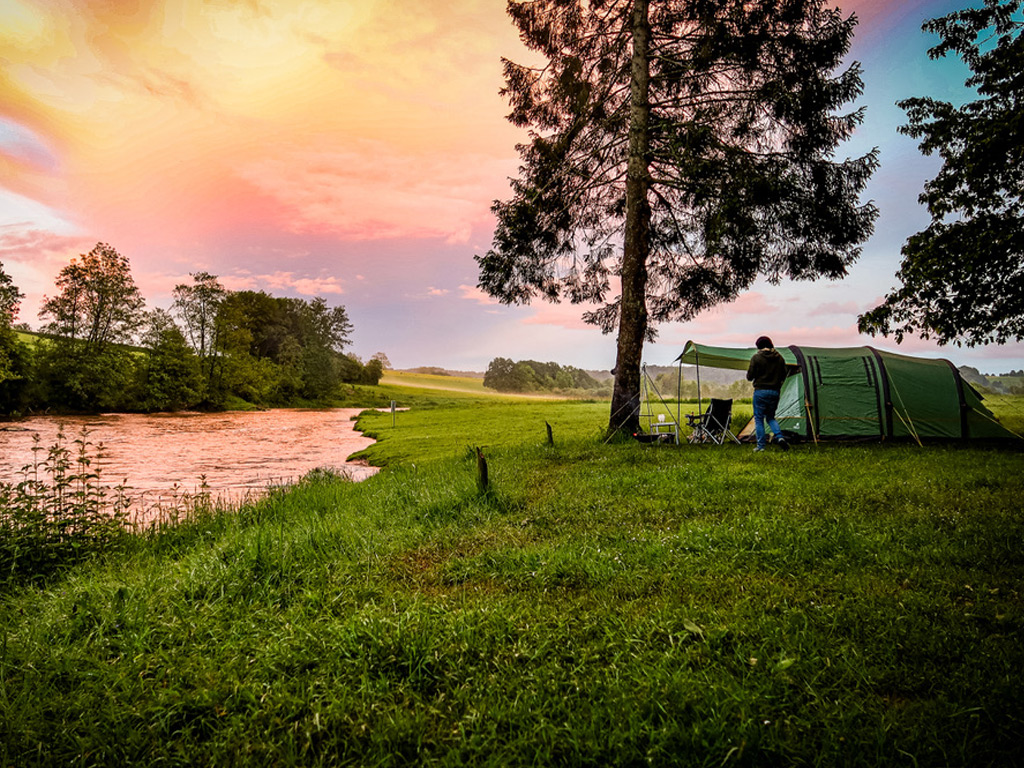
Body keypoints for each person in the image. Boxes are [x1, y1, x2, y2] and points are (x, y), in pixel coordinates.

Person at [746, 336, 790, 452]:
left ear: (759, 347)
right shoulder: (779, 358)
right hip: (775, 392)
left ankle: (761, 446)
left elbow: (749, 377)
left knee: (759, 419)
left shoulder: (756, 358)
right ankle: (780, 437)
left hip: (760, 391)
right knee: (770, 417)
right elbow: (784, 374)